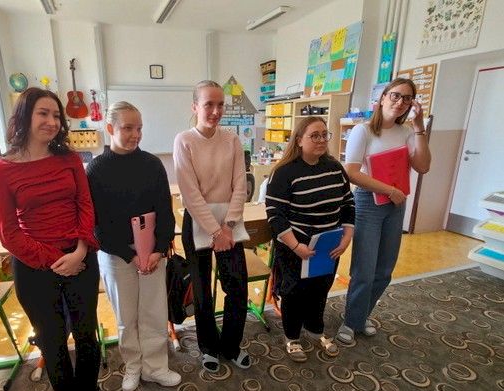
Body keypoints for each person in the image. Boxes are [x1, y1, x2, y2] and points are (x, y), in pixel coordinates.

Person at [0, 87, 103, 391]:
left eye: (56, 115)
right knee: (51, 337)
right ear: (25, 116)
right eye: (43, 113)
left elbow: (86, 206)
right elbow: (8, 233)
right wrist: (58, 260)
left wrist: (79, 251)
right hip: (34, 265)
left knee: (86, 332)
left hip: (79, 256)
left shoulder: (70, 160)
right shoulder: (0, 170)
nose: (52, 121)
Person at [86, 102, 181, 391]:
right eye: (128, 128)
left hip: (152, 252)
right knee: (126, 317)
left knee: (154, 313)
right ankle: (133, 366)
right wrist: (129, 254)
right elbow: (97, 224)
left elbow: (165, 210)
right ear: (110, 128)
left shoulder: (152, 164)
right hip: (116, 255)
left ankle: (156, 367)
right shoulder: (96, 170)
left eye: (139, 128)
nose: (136, 134)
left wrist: (159, 249)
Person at [337, 78, 431, 344]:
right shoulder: (363, 131)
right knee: (364, 270)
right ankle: (350, 321)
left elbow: (423, 166)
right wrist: (389, 189)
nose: (400, 102)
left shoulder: (407, 133)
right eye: (395, 96)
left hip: (395, 205)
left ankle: (360, 315)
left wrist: (420, 128)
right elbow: (351, 172)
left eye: (407, 98)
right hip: (369, 202)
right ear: (383, 98)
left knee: (384, 270)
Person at [173, 80, 250, 373]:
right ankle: (208, 346)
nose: (216, 111)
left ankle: (231, 345)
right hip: (198, 222)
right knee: (202, 291)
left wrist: (227, 226)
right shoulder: (184, 140)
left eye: (220, 105)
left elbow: (240, 185)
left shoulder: (232, 140)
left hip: (230, 221)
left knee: (237, 287)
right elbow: (190, 193)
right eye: (209, 104)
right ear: (195, 107)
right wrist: (215, 231)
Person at [265, 117, 354, 361]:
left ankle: (315, 330)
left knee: (321, 287)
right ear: (299, 140)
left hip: (328, 244)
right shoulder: (284, 172)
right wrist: (296, 246)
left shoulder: (335, 168)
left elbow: (348, 203)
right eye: (314, 135)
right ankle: (292, 336)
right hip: (296, 245)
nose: (321, 140)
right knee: (294, 292)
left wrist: (347, 236)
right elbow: (275, 215)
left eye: (325, 134)